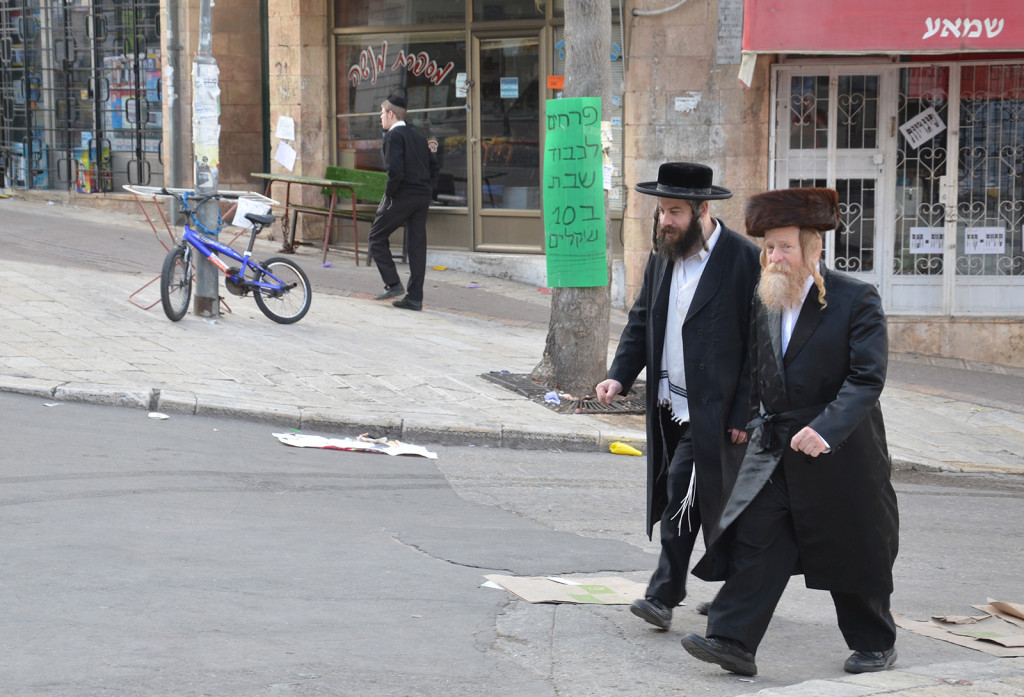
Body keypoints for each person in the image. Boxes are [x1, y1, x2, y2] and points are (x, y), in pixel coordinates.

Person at [682, 187, 900, 677]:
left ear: (813, 248)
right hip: (777, 446)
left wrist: (825, 429)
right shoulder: (767, 298)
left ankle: (874, 642)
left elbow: (867, 378)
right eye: (769, 247)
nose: (774, 257)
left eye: (784, 247)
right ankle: (732, 640)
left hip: (840, 451)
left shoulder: (856, 298)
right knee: (759, 537)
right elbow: (759, 372)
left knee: (851, 546)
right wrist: (748, 420)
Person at [594, 162, 761, 630]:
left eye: (674, 212)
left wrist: (746, 411)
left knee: (681, 497)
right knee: (720, 503)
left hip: (715, 409)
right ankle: (743, 588)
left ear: (703, 210)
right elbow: (642, 318)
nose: (664, 220)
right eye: (661, 210)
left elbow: (758, 345)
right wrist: (620, 376)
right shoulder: (664, 253)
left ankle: (663, 595)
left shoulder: (742, 259)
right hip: (668, 404)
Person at [368, 94, 439, 311]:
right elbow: (434, 168)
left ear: (390, 114)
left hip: (402, 195)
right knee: (417, 247)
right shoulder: (419, 137)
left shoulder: (392, 137)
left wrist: (389, 196)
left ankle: (393, 283)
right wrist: (427, 190)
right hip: (422, 197)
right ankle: (415, 298)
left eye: (381, 113)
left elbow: (395, 172)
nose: (380, 117)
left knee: (376, 237)